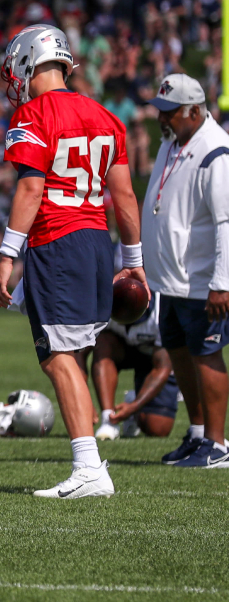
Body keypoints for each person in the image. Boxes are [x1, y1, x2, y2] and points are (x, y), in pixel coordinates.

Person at [0, 24, 147, 499]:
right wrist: (133, 260)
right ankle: (88, 466)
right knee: (71, 353)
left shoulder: (34, 116)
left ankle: (89, 468)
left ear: (26, 62)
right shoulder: (104, 115)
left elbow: (31, 188)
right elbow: (123, 195)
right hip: (96, 241)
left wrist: (6, 256)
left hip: (57, 241)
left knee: (58, 357)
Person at [140, 74, 229, 468]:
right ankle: (196, 434)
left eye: (171, 112)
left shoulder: (216, 150)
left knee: (207, 353)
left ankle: (218, 442)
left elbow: (226, 221)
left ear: (195, 110)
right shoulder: (173, 142)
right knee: (179, 352)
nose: (164, 119)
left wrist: (222, 282)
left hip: (200, 277)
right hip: (170, 278)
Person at [91, 293, 179, 440]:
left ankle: (133, 400)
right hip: (122, 349)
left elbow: (162, 367)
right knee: (103, 342)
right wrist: (84, 398)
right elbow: (78, 353)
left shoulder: (161, 311)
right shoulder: (102, 307)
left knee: (158, 428)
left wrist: (134, 406)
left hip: (154, 360)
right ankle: (108, 420)